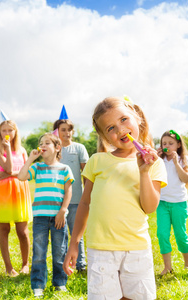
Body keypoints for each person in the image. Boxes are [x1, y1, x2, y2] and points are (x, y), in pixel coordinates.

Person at [63, 97, 167, 299]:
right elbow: (85, 203)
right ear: (104, 136)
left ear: (137, 118)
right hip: (100, 250)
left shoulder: (153, 163)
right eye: (110, 128)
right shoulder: (97, 161)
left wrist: (144, 171)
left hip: (136, 249)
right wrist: (74, 243)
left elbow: (149, 207)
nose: (120, 130)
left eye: (124, 120)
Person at [18, 132, 73, 298]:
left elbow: (68, 190)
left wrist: (63, 210)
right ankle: (38, 285)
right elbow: (21, 177)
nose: (42, 145)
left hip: (58, 217)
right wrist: (30, 159)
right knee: (39, 253)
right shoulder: (37, 167)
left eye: (47, 143)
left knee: (59, 252)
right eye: (41, 143)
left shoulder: (64, 169)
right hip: (40, 217)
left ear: (57, 148)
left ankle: (60, 283)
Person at [0, 120, 32, 277]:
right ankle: (8, 267)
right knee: (4, 229)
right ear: (0, 133)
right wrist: (6, 151)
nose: (6, 133)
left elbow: (26, 173)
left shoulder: (22, 150)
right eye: (3, 130)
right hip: (3, 192)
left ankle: (25, 264)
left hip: (20, 190)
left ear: (15, 133)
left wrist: (11, 174)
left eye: (10, 130)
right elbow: (8, 167)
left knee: (22, 231)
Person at [52, 117, 89, 272]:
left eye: (69, 129)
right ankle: (62, 266)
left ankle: (80, 265)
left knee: (76, 234)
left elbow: (86, 174)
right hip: (56, 202)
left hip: (76, 200)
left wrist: (87, 197)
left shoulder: (79, 148)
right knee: (59, 235)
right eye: (63, 130)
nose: (67, 133)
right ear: (57, 132)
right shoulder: (54, 150)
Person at [156, 130, 188, 275]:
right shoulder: (160, 160)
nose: (167, 146)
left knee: (180, 234)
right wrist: (155, 159)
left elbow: (186, 179)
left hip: (179, 202)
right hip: (162, 202)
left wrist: (176, 163)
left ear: (178, 144)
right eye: (164, 143)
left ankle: (187, 264)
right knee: (162, 234)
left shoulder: (184, 159)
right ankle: (167, 267)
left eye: (170, 143)